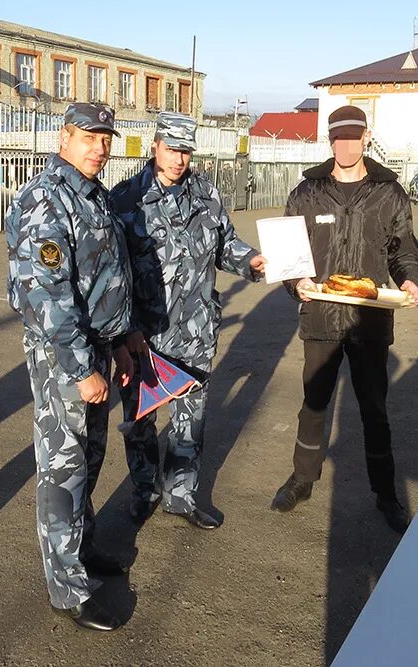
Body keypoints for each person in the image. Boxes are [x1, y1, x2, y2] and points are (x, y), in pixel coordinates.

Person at [6, 103, 134, 632]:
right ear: (64, 138)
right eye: (89, 137)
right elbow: (49, 297)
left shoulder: (95, 196)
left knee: (91, 455)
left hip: (98, 346)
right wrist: (83, 369)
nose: (99, 148)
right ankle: (66, 586)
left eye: (106, 138)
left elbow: (108, 276)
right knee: (63, 464)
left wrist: (122, 344)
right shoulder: (45, 199)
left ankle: (79, 549)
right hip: (64, 355)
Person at [269, 105, 418, 535]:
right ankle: (302, 480)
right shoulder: (308, 192)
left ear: (366, 137)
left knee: (374, 409)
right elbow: (288, 251)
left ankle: (385, 493)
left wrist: (411, 282)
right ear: (329, 139)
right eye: (338, 137)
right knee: (313, 403)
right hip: (320, 315)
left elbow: (404, 248)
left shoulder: (389, 193)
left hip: (369, 320)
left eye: (353, 137)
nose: (346, 145)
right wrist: (295, 281)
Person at [110, 112, 265, 530]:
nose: (179, 159)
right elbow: (111, 273)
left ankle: (182, 495)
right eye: (172, 148)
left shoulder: (206, 194)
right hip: (146, 336)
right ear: (155, 145)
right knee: (141, 420)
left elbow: (225, 244)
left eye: (186, 150)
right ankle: (145, 490)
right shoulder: (125, 199)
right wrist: (124, 332)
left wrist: (251, 260)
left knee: (191, 418)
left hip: (196, 329)